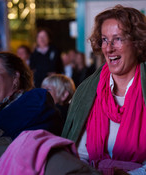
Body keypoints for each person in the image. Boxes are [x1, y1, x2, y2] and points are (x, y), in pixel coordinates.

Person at [62, 5, 146, 175]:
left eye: (118, 39)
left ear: (138, 43)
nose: (108, 48)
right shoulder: (87, 90)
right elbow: (78, 155)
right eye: (104, 40)